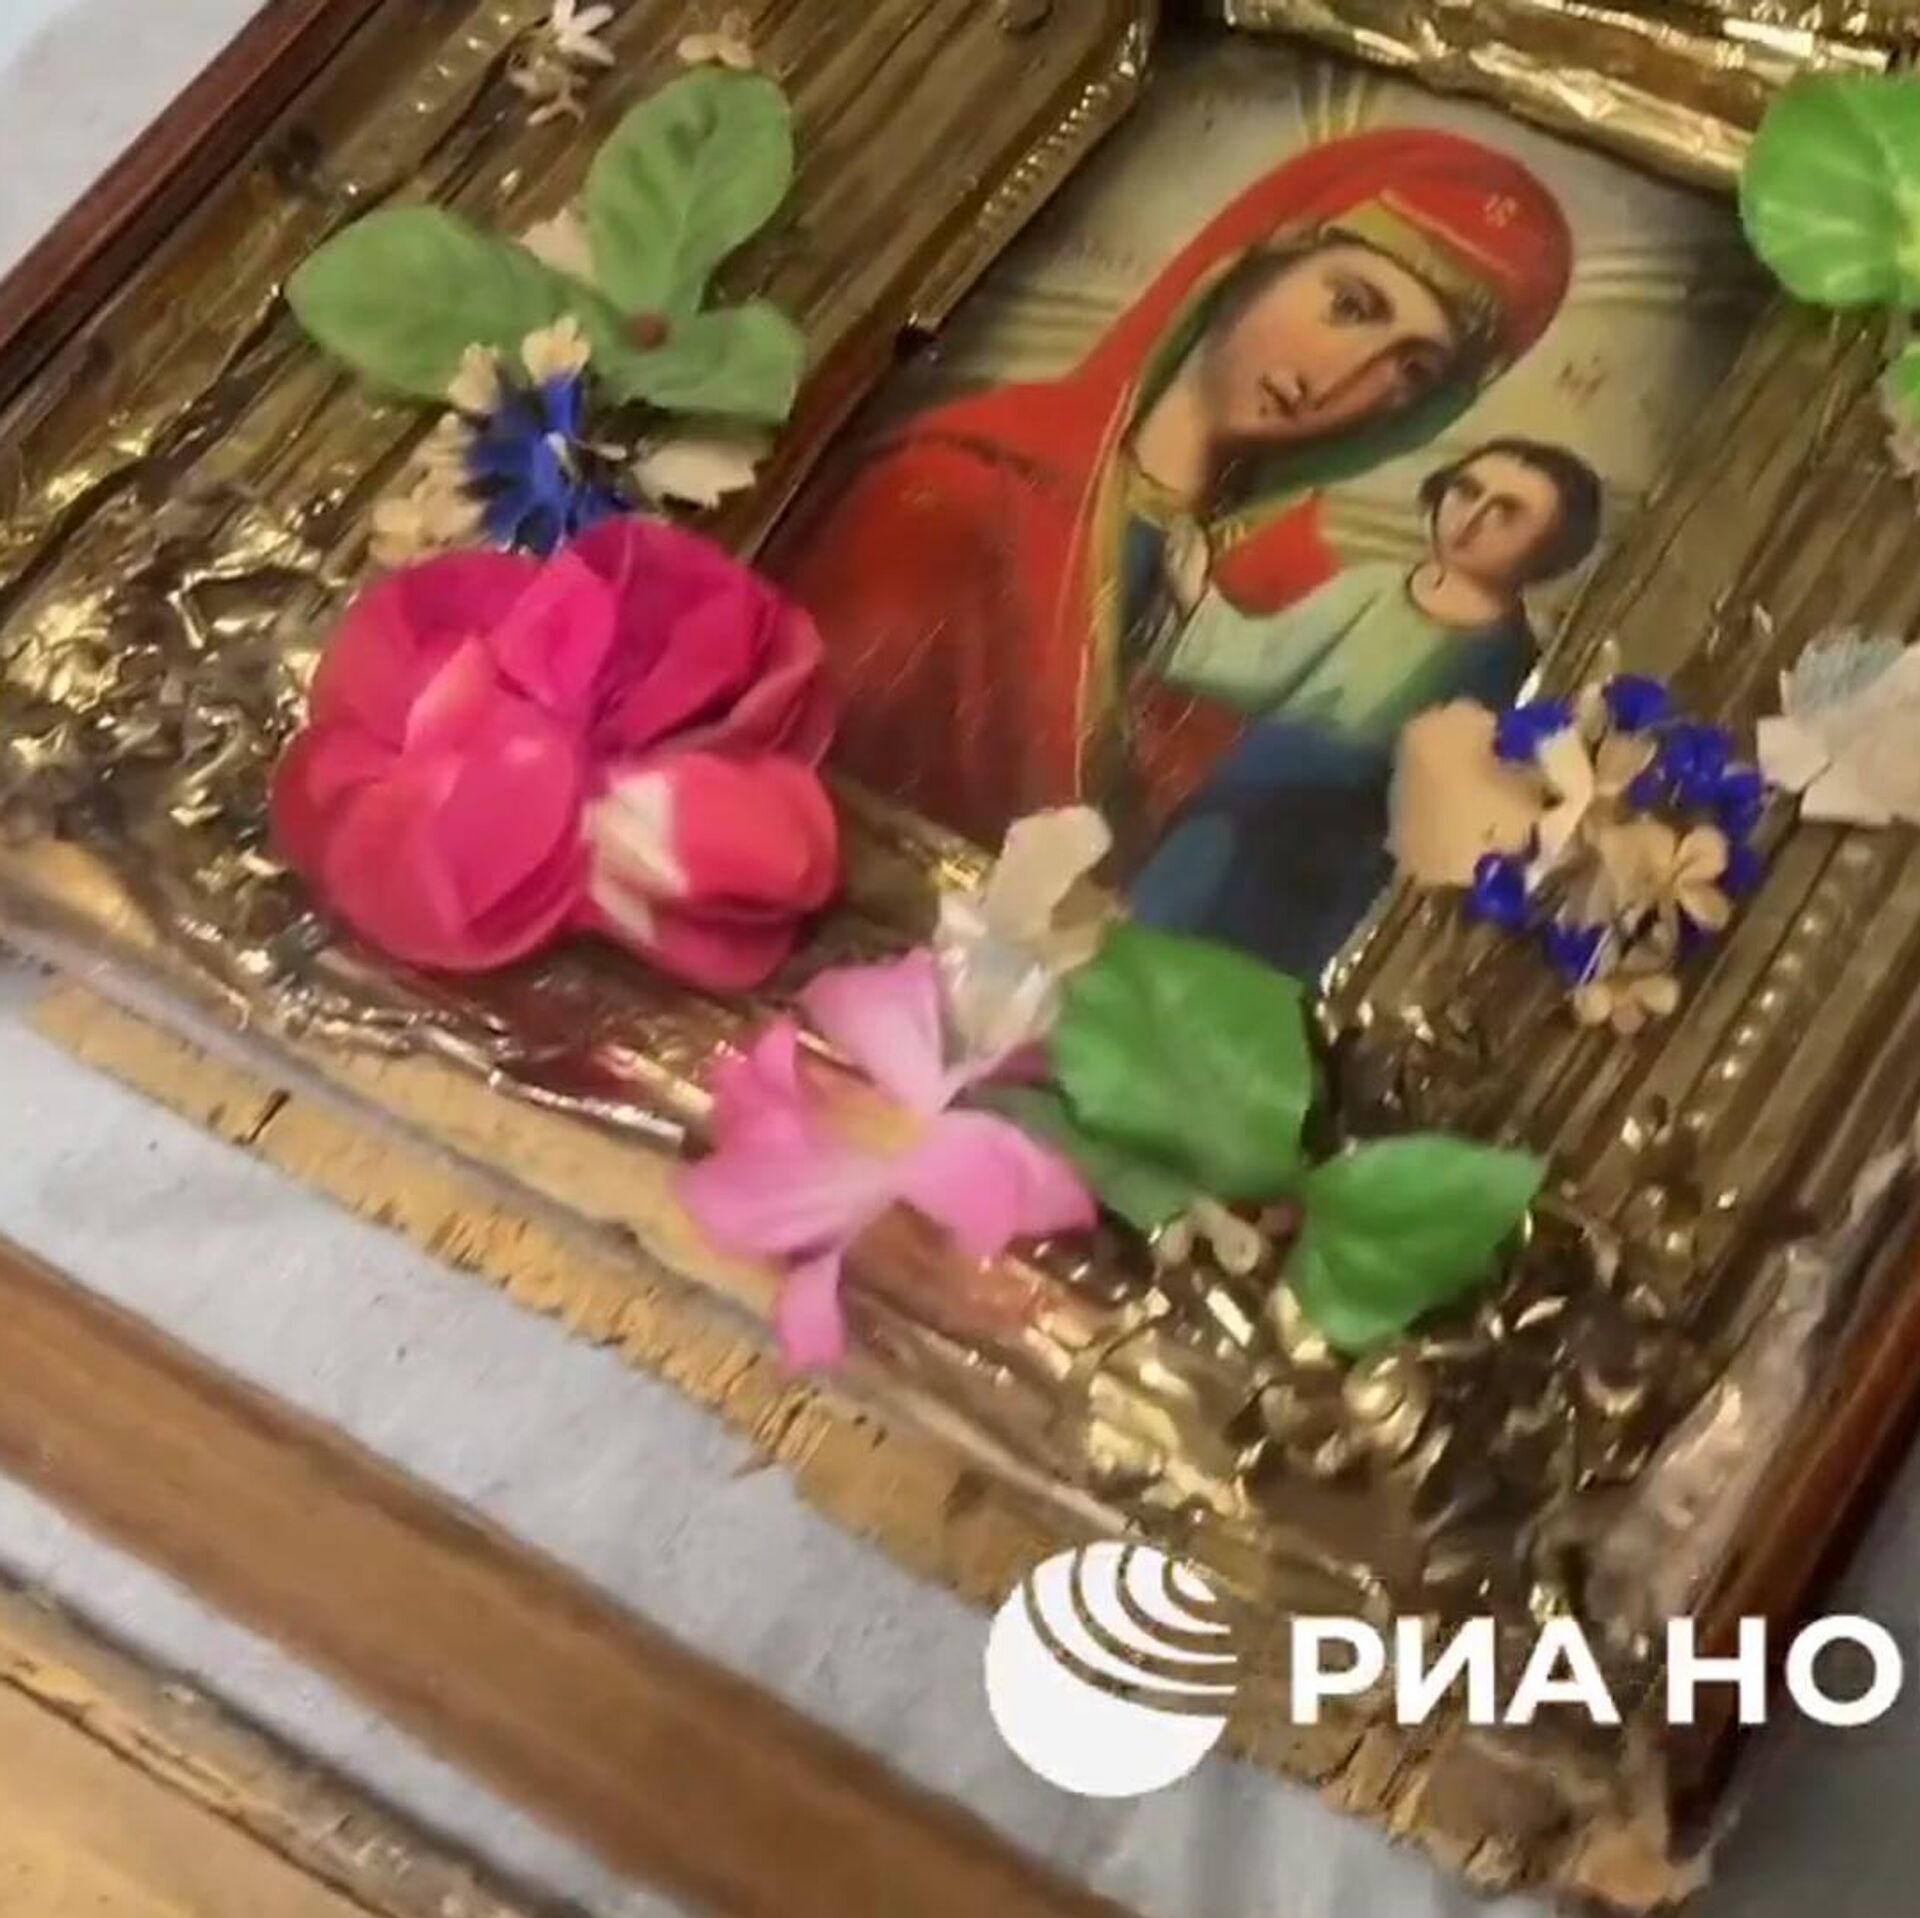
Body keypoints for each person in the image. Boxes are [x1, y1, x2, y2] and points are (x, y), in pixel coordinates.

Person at [766, 130, 1574, 849]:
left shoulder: (1293, 598)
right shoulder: (959, 488)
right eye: (1349, 306)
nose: (1341, 381)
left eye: (1411, 371)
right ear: (1254, 263)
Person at [1129, 438, 1604, 977]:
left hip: (1342, 864)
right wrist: (1195, 595)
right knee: (1152, 948)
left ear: (1552, 548)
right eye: (1466, 491)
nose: (1472, 518)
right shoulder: (1376, 585)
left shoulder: (1515, 666)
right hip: (1245, 807)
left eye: (1506, 513)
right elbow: (1267, 661)